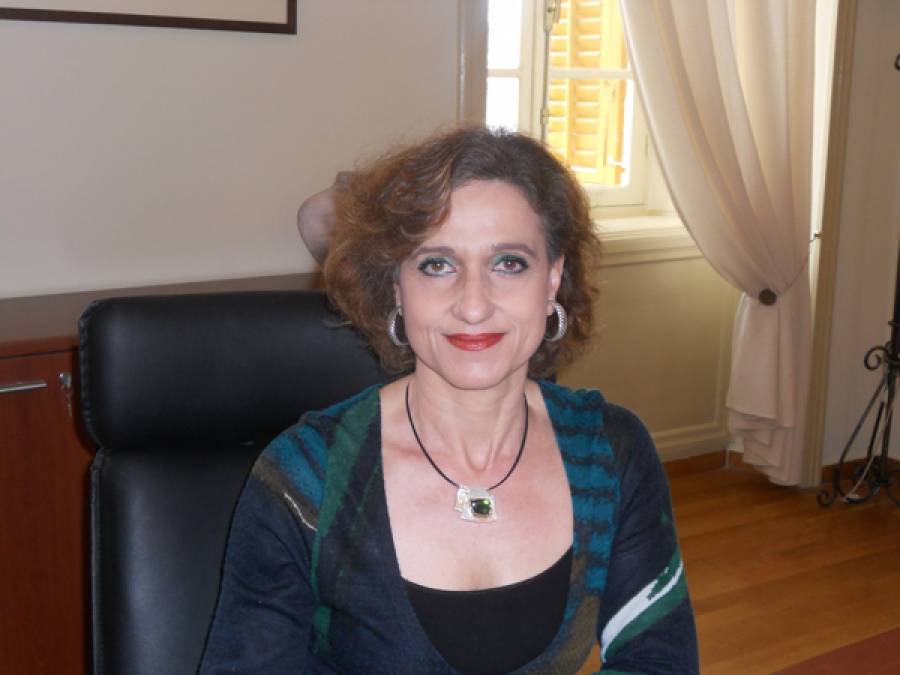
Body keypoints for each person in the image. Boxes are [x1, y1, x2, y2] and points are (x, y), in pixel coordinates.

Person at [200, 127, 698, 674]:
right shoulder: (306, 475)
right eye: (437, 264)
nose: (473, 305)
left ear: (553, 279)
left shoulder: (610, 452)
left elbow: (658, 659)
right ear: (397, 286)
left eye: (509, 263)